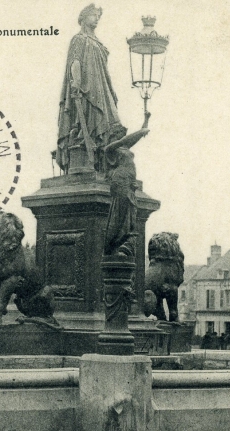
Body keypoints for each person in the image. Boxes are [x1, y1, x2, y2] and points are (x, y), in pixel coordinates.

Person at [55, 4, 125, 173]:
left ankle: (103, 154)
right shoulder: (79, 39)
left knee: (111, 120)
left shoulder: (98, 43)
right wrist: (77, 81)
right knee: (88, 117)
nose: (97, 19)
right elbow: (75, 61)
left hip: (101, 87)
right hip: (87, 88)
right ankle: (88, 152)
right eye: (94, 15)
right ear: (84, 17)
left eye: (98, 16)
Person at [103, 113, 150, 257]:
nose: (123, 136)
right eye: (121, 133)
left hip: (129, 183)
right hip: (120, 181)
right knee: (121, 212)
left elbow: (136, 137)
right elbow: (128, 139)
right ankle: (112, 243)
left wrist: (146, 120)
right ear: (115, 134)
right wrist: (140, 132)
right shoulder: (110, 149)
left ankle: (122, 242)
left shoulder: (124, 147)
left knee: (130, 212)